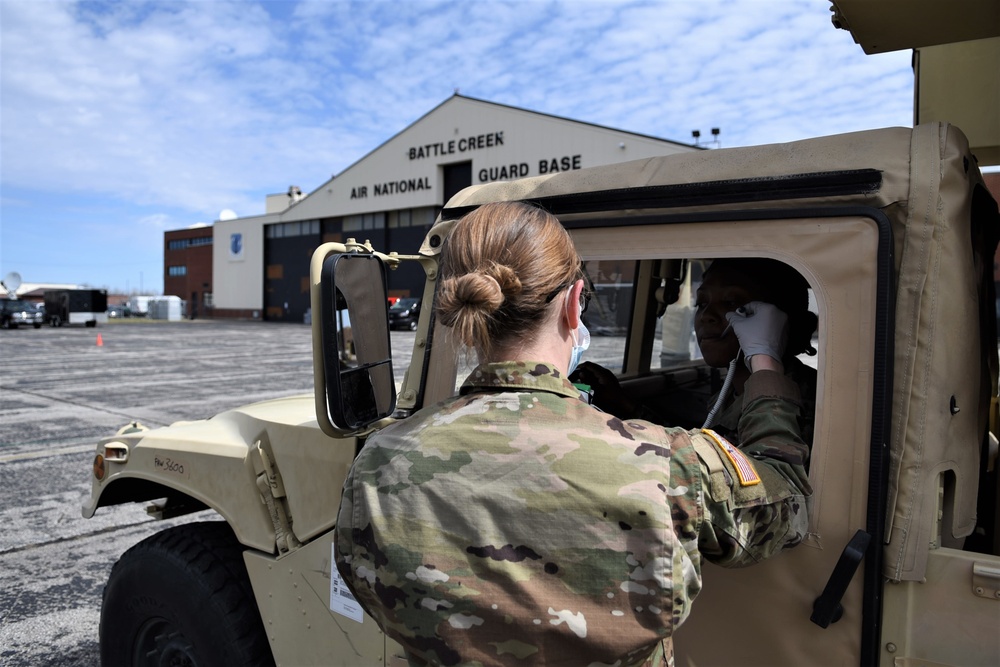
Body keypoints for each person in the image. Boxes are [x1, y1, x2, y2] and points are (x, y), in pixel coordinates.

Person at [334, 202, 811, 667]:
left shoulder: (377, 460)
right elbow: (786, 496)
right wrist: (765, 361)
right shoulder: (668, 465)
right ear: (572, 303)